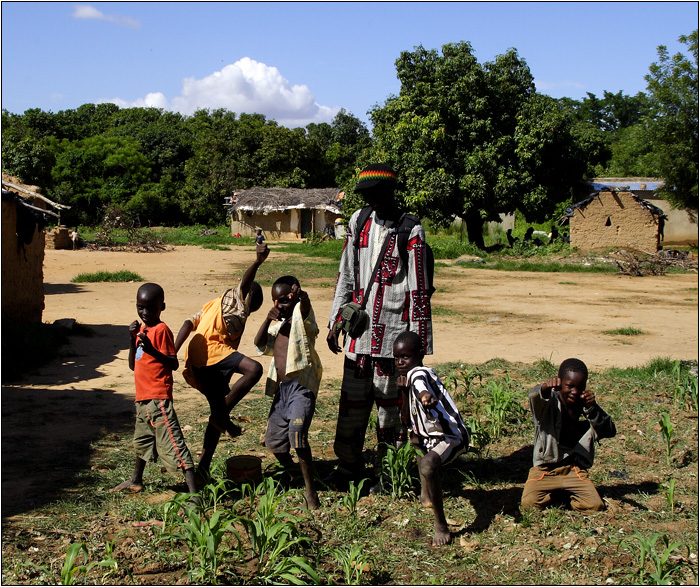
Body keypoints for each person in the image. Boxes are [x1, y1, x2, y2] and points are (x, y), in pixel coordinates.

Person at [326, 163, 433, 490]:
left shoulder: (410, 231)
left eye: (375, 194)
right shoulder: (358, 221)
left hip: (393, 345)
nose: (370, 200)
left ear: (389, 191)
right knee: (351, 409)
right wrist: (335, 321)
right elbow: (346, 273)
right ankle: (348, 467)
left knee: (391, 417)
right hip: (358, 340)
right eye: (366, 195)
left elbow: (419, 293)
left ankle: (390, 475)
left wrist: (416, 354)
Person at [174, 244, 269, 478]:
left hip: (196, 357)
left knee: (217, 420)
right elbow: (244, 285)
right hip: (211, 353)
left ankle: (203, 470)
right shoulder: (236, 304)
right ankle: (221, 414)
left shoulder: (214, 303)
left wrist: (172, 353)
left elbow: (188, 323)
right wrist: (257, 262)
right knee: (254, 369)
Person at [111, 283, 198, 495]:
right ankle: (135, 480)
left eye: (151, 308)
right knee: (141, 443)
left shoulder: (161, 330)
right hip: (142, 399)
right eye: (140, 307)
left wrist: (150, 348)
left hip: (158, 398)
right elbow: (133, 364)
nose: (145, 313)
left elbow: (172, 363)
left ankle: (195, 493)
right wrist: (132, 340)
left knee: (174, 444)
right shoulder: (141, 330)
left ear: (162, 307)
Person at [253, 275, 322, 509]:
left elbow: (305, 304)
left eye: (283, 300)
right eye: (275, 301)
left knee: (297, 435)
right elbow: (259, 343)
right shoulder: (277, 323)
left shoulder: (301, 316)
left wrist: (300, 296)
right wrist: (267, 318)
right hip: (282, 390)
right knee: (274, 442)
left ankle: (311, 492)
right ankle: (296, 473)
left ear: (293, 299)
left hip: (301, 386)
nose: (278, 305)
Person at [394, 331, 469, 545]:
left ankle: (441, 525)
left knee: (428, 465)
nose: (400, 362)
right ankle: (425, 495)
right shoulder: (406, 379)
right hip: (430, 436)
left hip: (451, 436)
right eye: (397, 358)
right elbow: (406, 419)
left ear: (420, 354)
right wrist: (403, 393)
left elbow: (421, 387)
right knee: (415, 438)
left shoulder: (418, 373)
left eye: (405, 357)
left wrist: (424, 396)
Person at [521, 358, 616, 512]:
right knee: (529, 505)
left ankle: (564, 494)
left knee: (594, 505)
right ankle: (558, 493)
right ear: (559, 383)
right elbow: (535, 397)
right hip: (545, 470)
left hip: (573, 469)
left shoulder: (584, 407)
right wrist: (545, 387)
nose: (575, 392)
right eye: (569, 386)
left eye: (580, 388)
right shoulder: (548, 403)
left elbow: (609, 430)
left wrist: (593, 408)